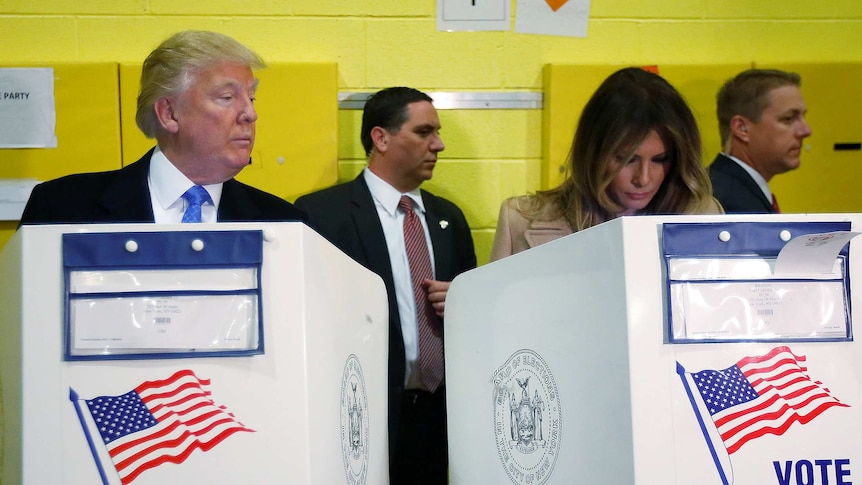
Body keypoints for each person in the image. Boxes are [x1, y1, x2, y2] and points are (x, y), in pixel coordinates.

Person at [294, 87, 476, 485]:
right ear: (381, 138)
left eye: (437, 132)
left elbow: (472, 318)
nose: (439, 144)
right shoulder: (322, 215)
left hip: (438, 416)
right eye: (424, 132)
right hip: (361, 411)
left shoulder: (449, 220)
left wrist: (465, 303)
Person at [19, 30, 305, 225]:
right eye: (227, 98)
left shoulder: (286, 223)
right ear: (169, 113)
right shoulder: (62, 208)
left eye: (252, 97)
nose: (250, 114)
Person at [491, 67, 721, 261]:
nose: (643, 179)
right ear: (592, 153)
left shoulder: (705, 216)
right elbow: (495, 313)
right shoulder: (519, 219)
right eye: (627, 159)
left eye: (660, 159)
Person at [708, 68, 812, 214]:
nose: (806, 131)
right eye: (788, 119)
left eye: (802, 117)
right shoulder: (726, 204)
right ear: (742, 128)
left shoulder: (732, 189)